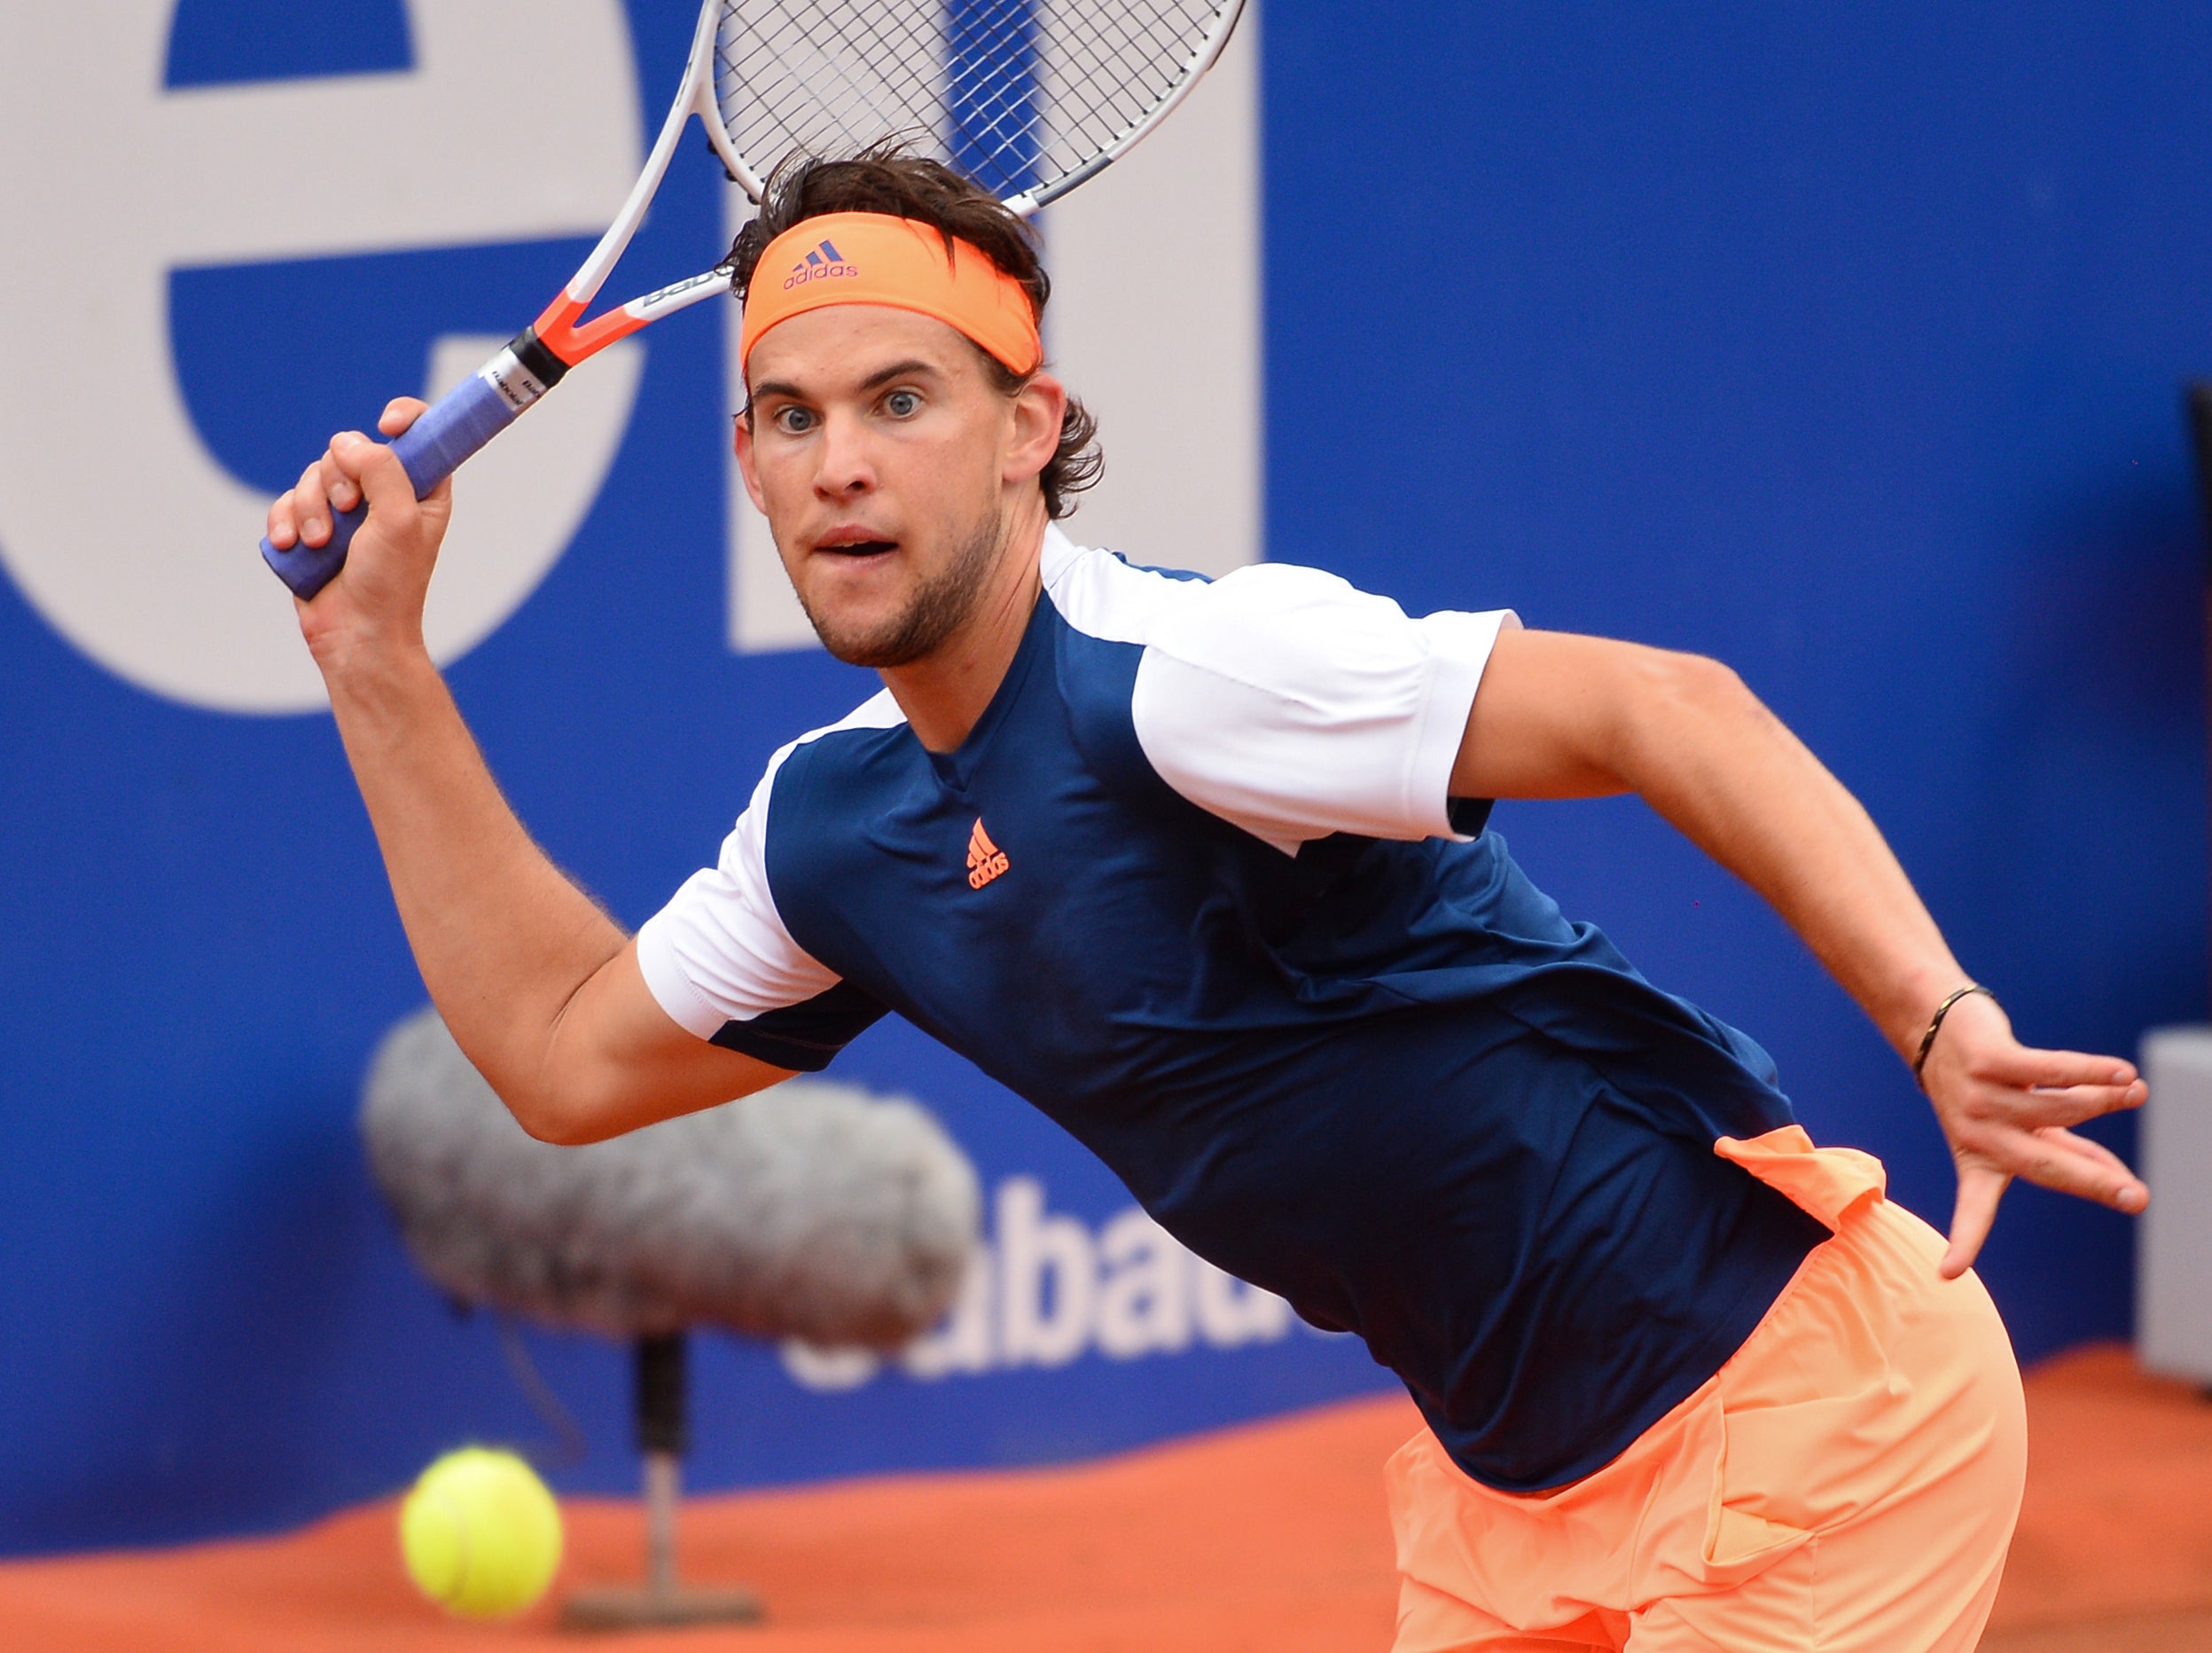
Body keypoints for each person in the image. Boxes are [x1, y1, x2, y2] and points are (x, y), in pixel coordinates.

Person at [266, 151, 2147, 1651]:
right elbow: (560, 1057)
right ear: (749, 458)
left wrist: (1940, 1016)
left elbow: (1672, 707)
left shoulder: (1184, 679)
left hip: (1807, 1415)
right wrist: (376, 661)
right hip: (1516, 1505)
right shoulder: (835, 826)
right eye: (788, 412)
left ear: (1028, 425)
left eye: (901, 397)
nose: (839, 458)